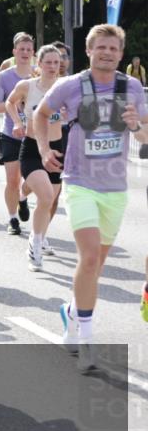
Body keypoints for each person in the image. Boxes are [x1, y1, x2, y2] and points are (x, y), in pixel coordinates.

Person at [35, 24, 148, 371]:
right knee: (88, 259)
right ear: (89, 51)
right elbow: (41, 114)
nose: (107, 53)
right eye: (101, 47)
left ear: (121, 53)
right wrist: (44, 149)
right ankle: (86, 339)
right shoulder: (70, 85)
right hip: (80, 183)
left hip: (115, 188)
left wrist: (136, 125)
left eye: (113, 48)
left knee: (95, 267)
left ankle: (71, 312)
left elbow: (146, 135)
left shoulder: (132, 88)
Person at [7, 45, 66, 271]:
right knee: (46, 195)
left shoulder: (64, 87)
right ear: (39, 64)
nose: (52, 66)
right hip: (32, 148)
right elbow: (11, 102)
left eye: (56, 62)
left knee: (49, 200)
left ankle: (38, 231)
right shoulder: (27, 86)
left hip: (57, 148)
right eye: (48, 62)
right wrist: (18, 122)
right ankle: (36, 244)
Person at [0, 32, 37, 235]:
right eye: (21, 49)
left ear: (33, 53)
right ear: (14, 52)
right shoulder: (5, 76)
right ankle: (12, 219)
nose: (25, 53)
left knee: (34, 178)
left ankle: (23, 197)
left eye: (29, 49)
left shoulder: (39, 74)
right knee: (12, 180)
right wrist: (17, 104)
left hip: (34, 135)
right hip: (11, 134)